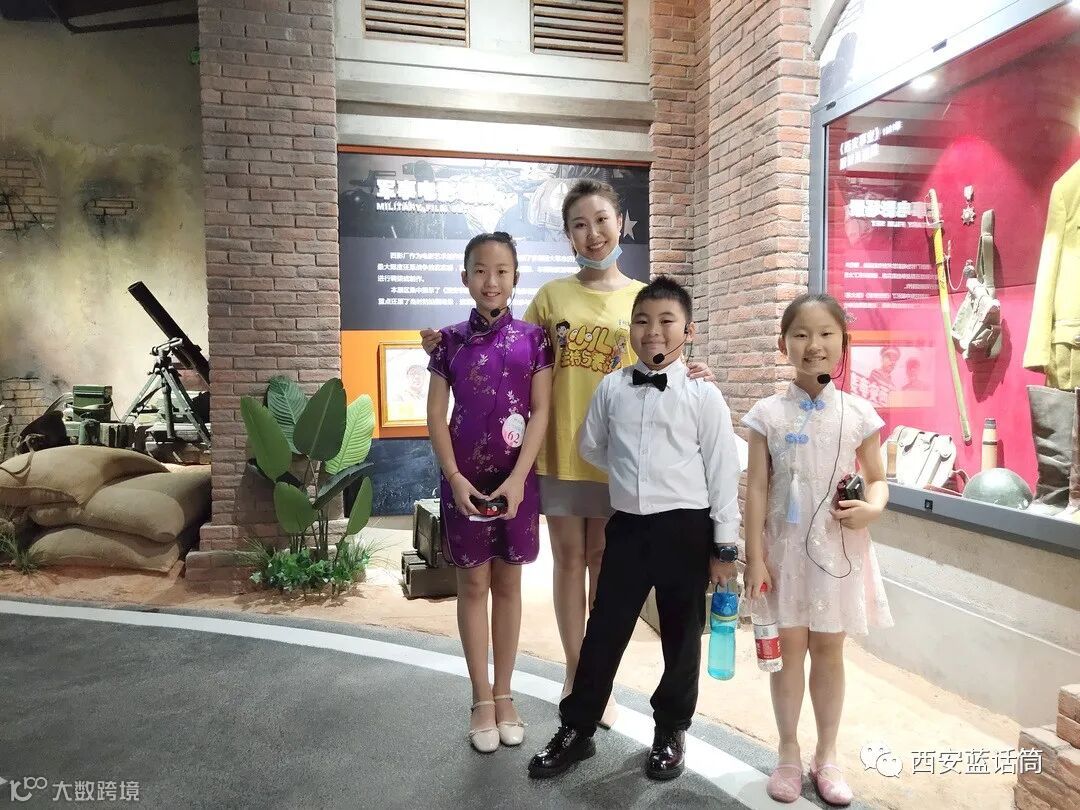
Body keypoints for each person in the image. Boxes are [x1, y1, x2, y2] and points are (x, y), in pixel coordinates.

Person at [421, 179, 714, 728]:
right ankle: (576, 673)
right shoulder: (551, 297)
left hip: (619, 459)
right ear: (567, 235)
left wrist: (695, 369)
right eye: (579, 224)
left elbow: (664, 352)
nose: (592, 233)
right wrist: (441, 344)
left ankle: (598, 677)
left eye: (601, 220)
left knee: (605, 564)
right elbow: (504, 350)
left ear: (620, 222)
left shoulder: (642, 298)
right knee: (568, 562)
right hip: (556, 452)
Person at [527, 276, 741, 781]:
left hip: (686, 529)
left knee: (681, 637)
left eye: (667, 321)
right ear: (630, 329)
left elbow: (722, 471)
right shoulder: (612, 387)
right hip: (625, 527)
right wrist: (629, 475)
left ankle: (671, 730)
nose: (653, 332)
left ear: (688, 331)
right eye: (642, 321)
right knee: (604, 630)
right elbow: (590, 445)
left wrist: (724, 547)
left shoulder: (703, 395)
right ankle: (577, 728)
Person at [741, 293, 894, 806]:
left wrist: (873, 507)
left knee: (830, 651)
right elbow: (757, 489)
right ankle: (787, 752)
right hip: (782, 554)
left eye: (826, 333)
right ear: (783, 343)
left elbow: (878, 480)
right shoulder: (766, 415)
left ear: (843, 342)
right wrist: (754, 558)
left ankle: (826, 756)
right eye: (801, 334)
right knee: (786, 654)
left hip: (838, 553)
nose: (814, 344)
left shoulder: (860, 413)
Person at [426, 232, 554, 753]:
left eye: (502, 271)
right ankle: (480, 696)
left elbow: (541, 411)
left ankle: (505, 693)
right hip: (463, 482)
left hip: (516, 481)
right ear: (465, 278)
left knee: (509, 584)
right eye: (480, 270)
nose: (491, 281)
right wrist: (454, 477)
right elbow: (435, 415)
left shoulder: (535, 339)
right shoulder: (447, 343)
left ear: (516, 278)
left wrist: (520, 478)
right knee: (473, 585)